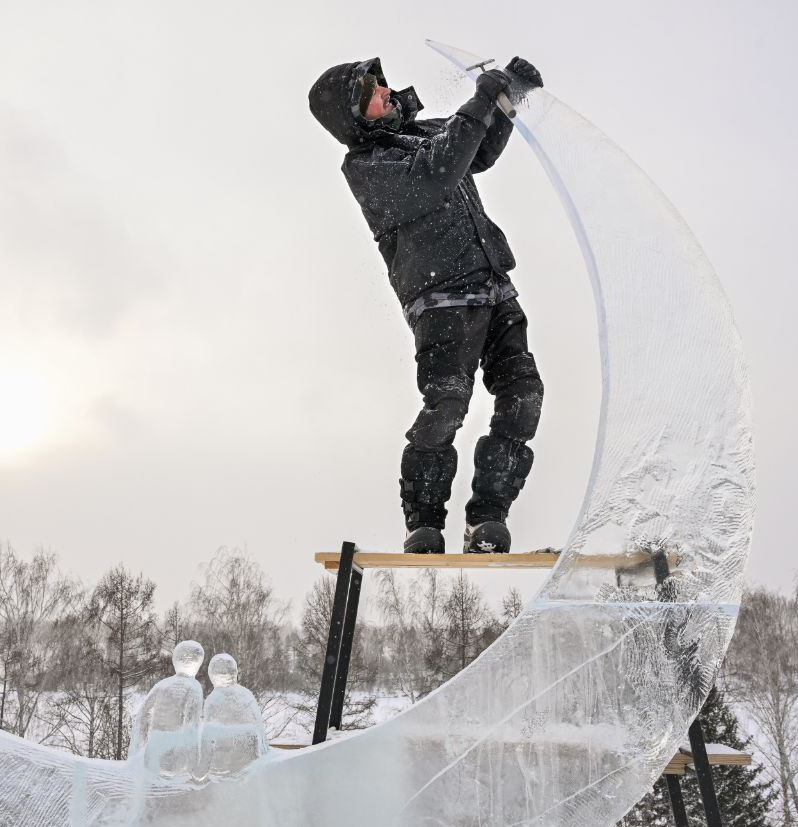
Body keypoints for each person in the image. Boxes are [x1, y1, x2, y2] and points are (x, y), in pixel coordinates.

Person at [308, 57, 545, 554]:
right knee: (447, 406)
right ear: (355, 114)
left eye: (383, 81)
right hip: (441, 302)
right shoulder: (368, 166)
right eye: (373, 89)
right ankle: (425, 522)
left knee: (523, 396)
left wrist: (507, 100)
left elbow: (474, 151)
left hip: (494, 284)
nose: (387, 90)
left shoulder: (424, 132)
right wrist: (482, 99)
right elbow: (437, 172)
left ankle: (485, 519)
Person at [130, 639, 204, 777]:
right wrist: (194, 765)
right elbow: (190, 727)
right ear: (197, 663)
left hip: (154, 749)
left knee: (151, 791)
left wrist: (138, 751)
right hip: (175, 753)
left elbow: (143, 716)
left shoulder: (162, 685)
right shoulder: (194, 688)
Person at [198, 653, 267, 777]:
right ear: (234, 672)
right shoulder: (247, 694)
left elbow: (207, 739)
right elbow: (260, 732)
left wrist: (201, 770)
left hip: (226, 765)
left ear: (212, 674)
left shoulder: (213, 699)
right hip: (251, 761)